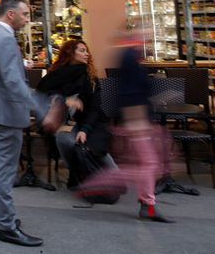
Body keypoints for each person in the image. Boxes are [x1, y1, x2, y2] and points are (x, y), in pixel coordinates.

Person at [0, 0, 65, 247]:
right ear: (11, 14)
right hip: (6, 114)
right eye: (25, 14)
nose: (28, 20)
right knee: (3, 172)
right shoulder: (5, 39)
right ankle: (7, 226)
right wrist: (41, 110)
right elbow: (13, 82)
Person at [75, 28, 175, 222]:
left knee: (147, 164)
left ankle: (147, 204)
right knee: (147, 164)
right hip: (137, 120)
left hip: (139, 119)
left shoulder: (131, 57)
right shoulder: (129, 57)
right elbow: (130, 92)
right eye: (143, 33)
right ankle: (98, 183)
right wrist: (137, 121)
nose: (147, 36)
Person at [37, 39, 115, 188]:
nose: (86, 54)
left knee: (90, 144)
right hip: (66, 122)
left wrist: (85, 129)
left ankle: (110, 177)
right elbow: (43, 92)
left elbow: (94, 107)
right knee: (64, 139)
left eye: (87, 51)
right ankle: (76, 174)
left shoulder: (90, 77)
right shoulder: (57, 75)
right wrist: (64, 99)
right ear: (70, 54)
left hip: (92, 122)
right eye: (81, 51)